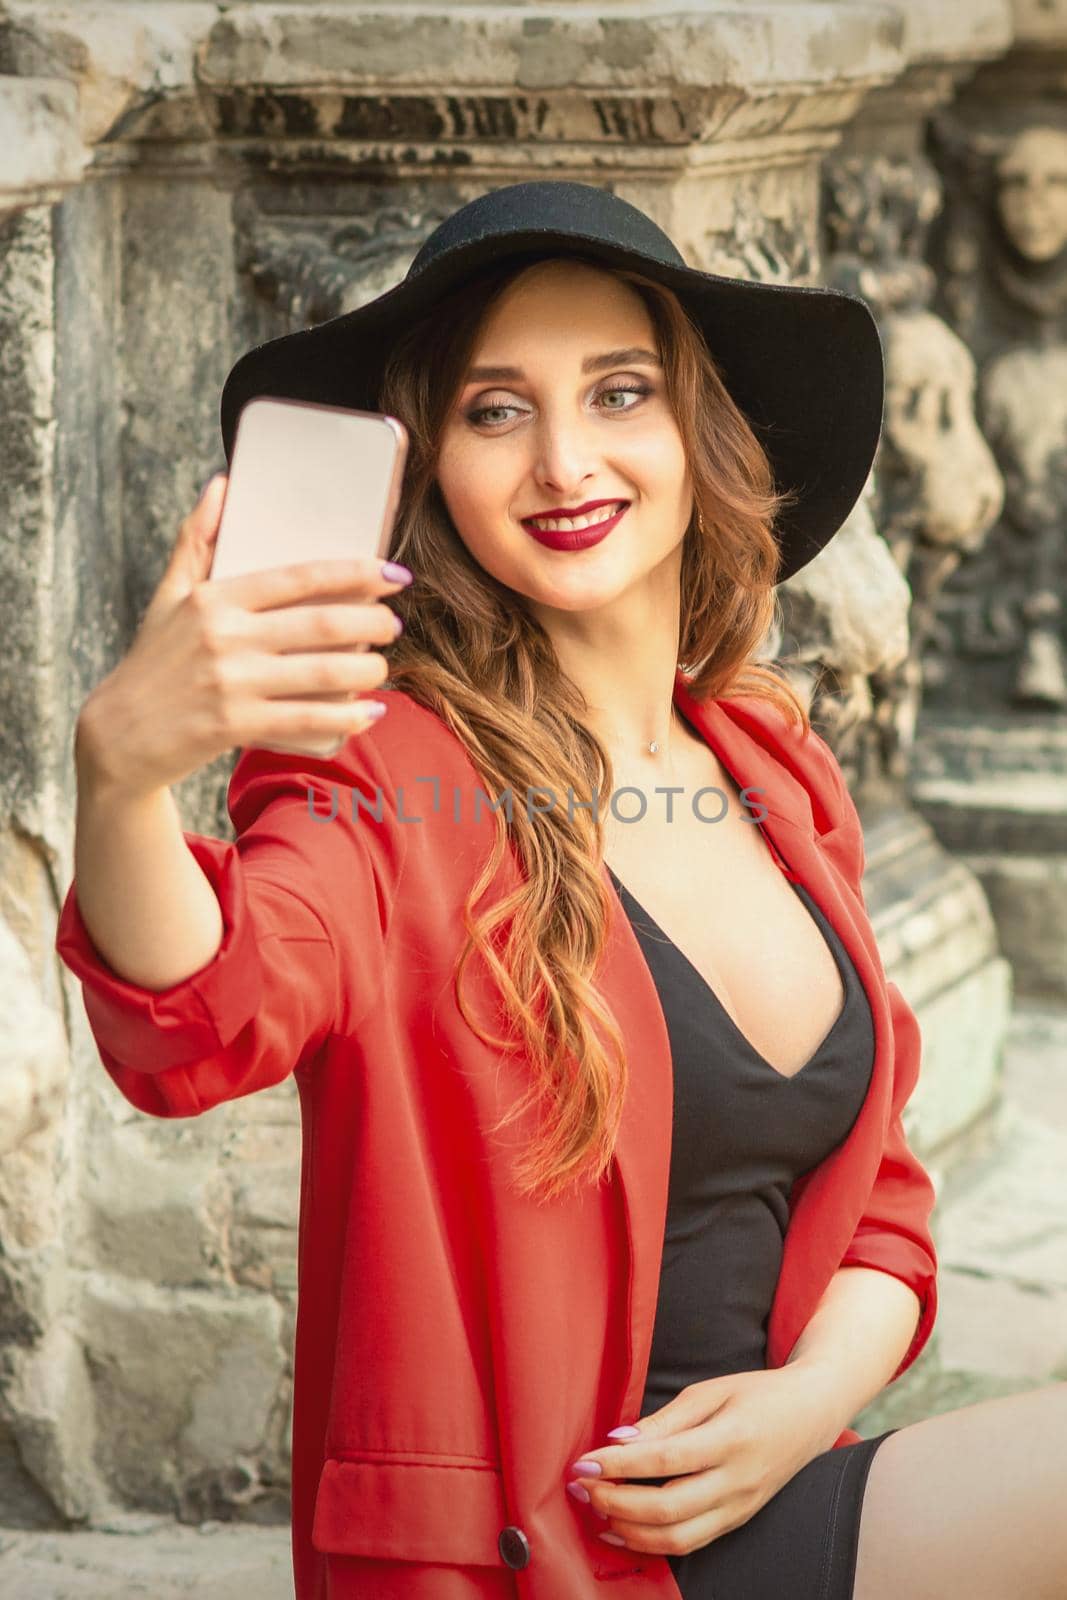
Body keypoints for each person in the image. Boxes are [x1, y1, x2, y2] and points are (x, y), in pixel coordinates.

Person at [54, 183, 1066, 1600]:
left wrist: (791, 1414)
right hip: (558, 1550)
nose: (563, 460)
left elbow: (885, 1198)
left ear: (693, 426)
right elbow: (205, 1009)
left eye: (617, 391)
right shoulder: (389, 777)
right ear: (433, 467)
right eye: (495, 410)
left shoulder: (774, 760)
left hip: (791, 1477)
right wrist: (123, 778)